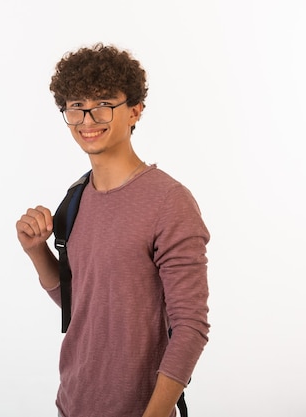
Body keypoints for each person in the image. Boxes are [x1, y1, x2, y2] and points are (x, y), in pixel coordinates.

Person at [15, 43, 210, 417]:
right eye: (76, 106)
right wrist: (37, 251)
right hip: (72, 403)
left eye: (103, 103)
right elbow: (84, 305)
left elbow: (191, 329)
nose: (88, 119)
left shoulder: (169, 201)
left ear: (135, 109)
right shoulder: (75, 199)